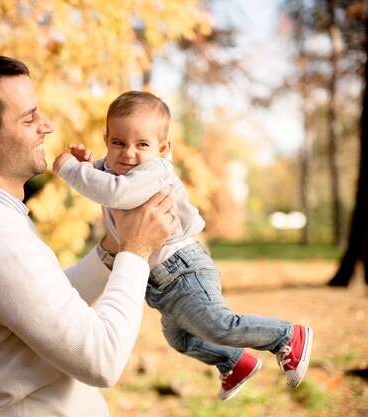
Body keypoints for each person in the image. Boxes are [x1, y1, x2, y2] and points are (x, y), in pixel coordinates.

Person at [0, 54, 180, 417]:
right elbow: (102, 360)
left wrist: (112, 248)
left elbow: (44, 304)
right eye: (29, 118)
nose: (46, 126)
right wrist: (136, 251)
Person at [53, 90, 314, 401]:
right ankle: (234, 362)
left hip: (183, 269)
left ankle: (287, 336)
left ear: (163, 149)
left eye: (142, 145)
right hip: (160, 282)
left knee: (220, 326)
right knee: (180, 340)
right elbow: (105, 181)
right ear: (107, 140)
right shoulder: (117, 170)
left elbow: (115, 194)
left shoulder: (154, 171)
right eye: (118, 143)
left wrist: (71, 170)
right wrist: (90, 167)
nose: (128, 153)